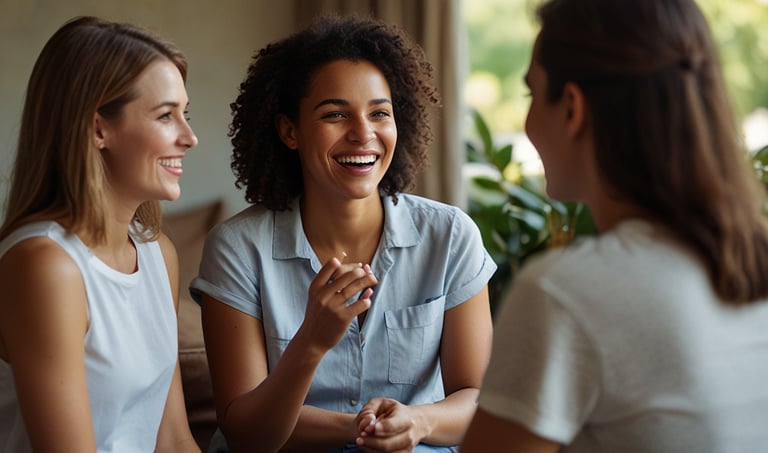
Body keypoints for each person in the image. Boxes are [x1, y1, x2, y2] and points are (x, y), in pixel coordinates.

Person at [460, 0, 768, 452]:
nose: (525, 124)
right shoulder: (752, 256)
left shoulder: (563, 292)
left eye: (530, 95)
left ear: (572, 108)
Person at [190, 13, 496, 453]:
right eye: (335, 114)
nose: (363, 134)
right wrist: (311, 343)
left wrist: (417, 421)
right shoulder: (238, 248)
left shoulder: (449, 236)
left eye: (379, 113)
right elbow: (245, 432)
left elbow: (477, 400)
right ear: (289, 131)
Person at [0, 16, 201, 452]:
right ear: (97, 129)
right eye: (166, 115)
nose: (190, 137)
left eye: (186, 114)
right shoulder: (44, 265)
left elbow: (173, 438)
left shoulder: (157, 254)